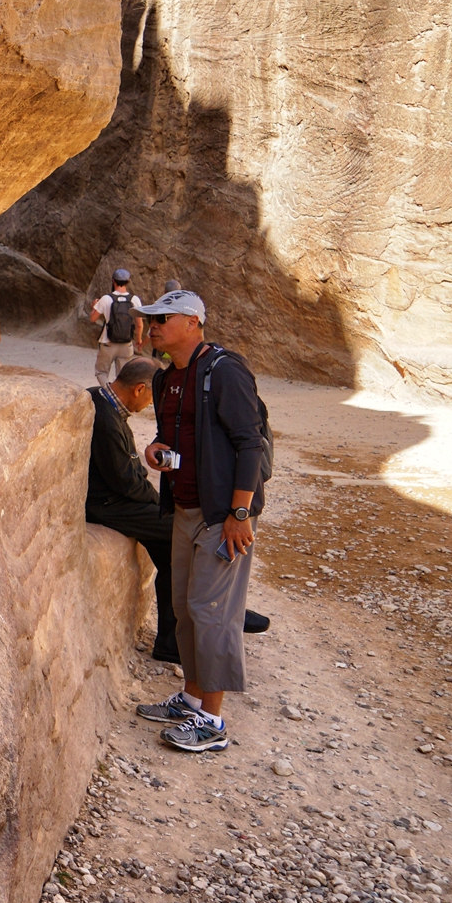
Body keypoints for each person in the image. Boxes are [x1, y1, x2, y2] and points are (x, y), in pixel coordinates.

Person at [133, 289, 271, 753]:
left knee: (213, 615)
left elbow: (250, 444)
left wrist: (239, 513)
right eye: (150, 320)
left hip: (221, 514)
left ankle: (211, 722)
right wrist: (156, 449)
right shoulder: (166, 378)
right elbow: (171, 434)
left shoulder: (224, 370)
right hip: (184, 507)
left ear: (192, 322)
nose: (152, 326)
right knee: (185, 609)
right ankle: (192, 699)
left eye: (162, 319)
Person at [86, 358, 176, 659]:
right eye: (153, 397)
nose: (151, 404)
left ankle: (171, 641)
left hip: (114, 498)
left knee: (170, 553)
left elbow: (129, 468)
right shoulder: (106, 419)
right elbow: (125, 481)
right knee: (182, 531)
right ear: (140, 389)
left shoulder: (105, 403)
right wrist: (157, 502)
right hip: (106, 505)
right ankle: (220, 614)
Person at [90, 268, 145, 388]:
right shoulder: (134, 300)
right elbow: (139, 324)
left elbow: (93, 318)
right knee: (123, 375)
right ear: (128, 282)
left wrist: (94, 306)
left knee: (101, 372)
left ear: (113, 281)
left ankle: (109, 393)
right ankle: (120, 398)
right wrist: (139, 340)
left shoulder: (106, 299)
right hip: (126, 344)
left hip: (108, 343)